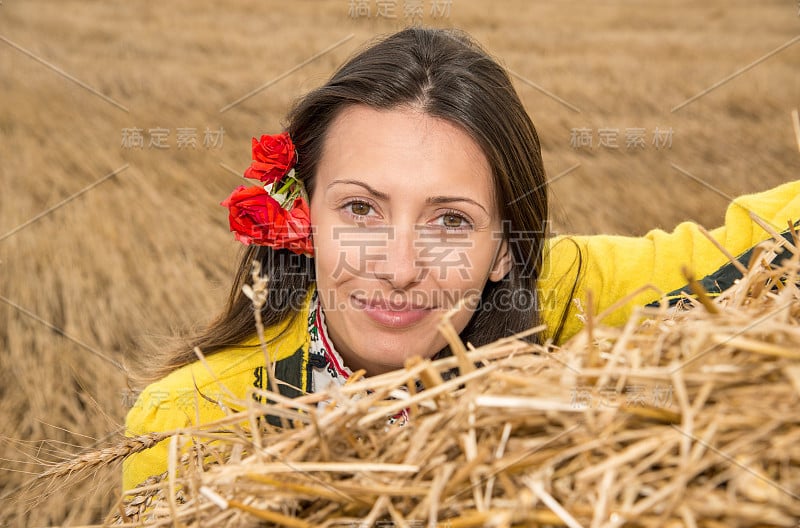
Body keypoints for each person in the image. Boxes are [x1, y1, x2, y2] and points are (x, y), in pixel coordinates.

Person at [123, 27, 800, 491]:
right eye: (360, 209)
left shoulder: (565, 294)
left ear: (505, 247)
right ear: (304, 218)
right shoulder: (190, 422)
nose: (399, 267)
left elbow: (762, 240)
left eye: (450, 221)